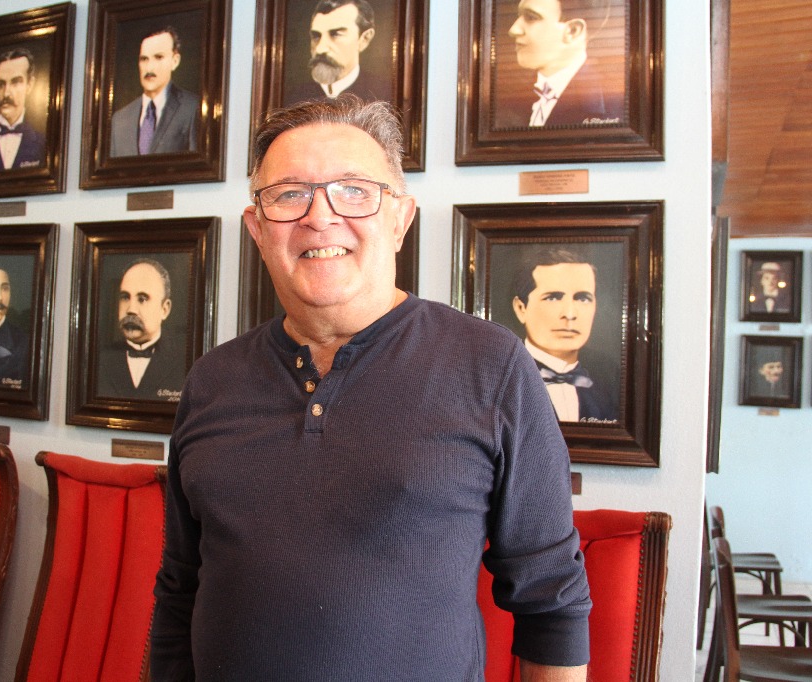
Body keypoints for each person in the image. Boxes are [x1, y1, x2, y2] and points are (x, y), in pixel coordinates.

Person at [151, 96, 590, 680]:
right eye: (290, 194)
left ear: (401, 219)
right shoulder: (211, 380)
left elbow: (551, 601)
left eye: (354, 190)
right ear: (257, 229)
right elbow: (180, 589)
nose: (320, 216)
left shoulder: (491, 365)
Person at [512, 246, 618, 423]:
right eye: (553, 297)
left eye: (582, 298)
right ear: (521, 308)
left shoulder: (610, 381)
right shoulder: (502, 377)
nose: (569, 314)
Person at [508, 0, 623, 127]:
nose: (513, 30)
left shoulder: (613, 107)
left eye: (531, 17)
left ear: (572, 31)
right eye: (519, 16)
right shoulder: (511, 99)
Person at [97, 258, 184, 402]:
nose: (131, 309)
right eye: (125, 297)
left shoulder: (185, 363)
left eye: (142, 299)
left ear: (165, 309)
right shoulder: (99, 361)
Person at [110, 27, 198, 157]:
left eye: (158, 57)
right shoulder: (120, 120)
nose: (149, 68)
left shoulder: (192, 108)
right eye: (144, 59)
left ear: (175, 61)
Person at [285, 0, 390, 104]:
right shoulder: (294, 97)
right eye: (316, 36)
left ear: (364, 39)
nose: (320, 49)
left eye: (336, 34)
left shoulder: (384, 94)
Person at [0, 48, 46, 172]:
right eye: (1, 84)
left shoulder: (43, 145)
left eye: (15, 82)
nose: (6, 93)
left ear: (30, 85)